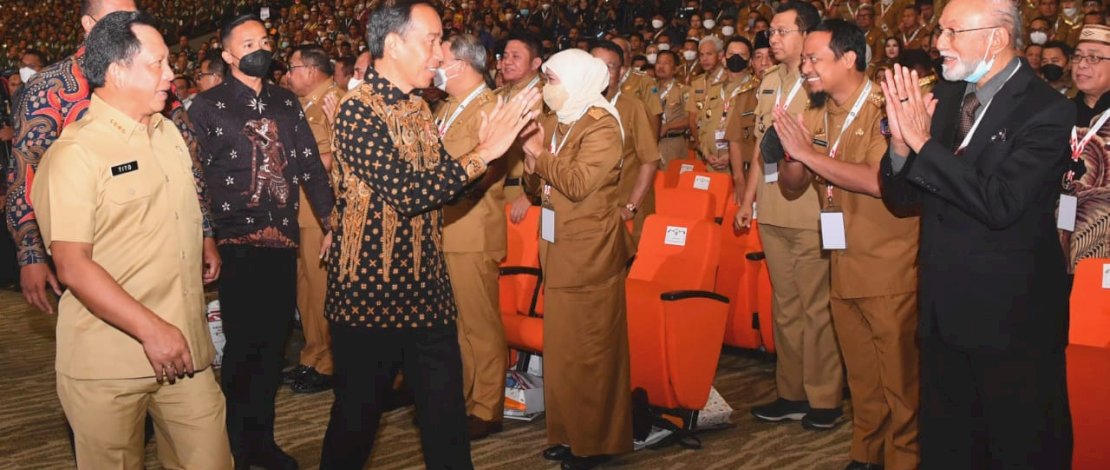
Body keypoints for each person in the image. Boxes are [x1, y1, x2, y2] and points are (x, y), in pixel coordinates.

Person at [319, 2, 537, 468]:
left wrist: (494, 156)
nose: (439, 54)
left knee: (446, 422)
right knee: (356, 421)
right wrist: (482, 154)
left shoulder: (419, 108)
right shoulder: (358, 110)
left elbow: (445, 187)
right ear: (394, 44)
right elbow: (408, 192)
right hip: (370, 294)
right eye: (432, 41)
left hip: (426, 291)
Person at [30, 11, 231, 469]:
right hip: (109, 363)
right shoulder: (75, 154)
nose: (171, 74)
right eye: (157, 64)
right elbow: (73, 266)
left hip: (185, 353)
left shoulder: (168, 134)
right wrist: (151, 330)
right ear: (118, 72)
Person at [879, 0, 1074, 467]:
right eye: (940, 31)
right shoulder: (947, 98)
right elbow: (904, 201)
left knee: (1016, 447)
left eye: (953, 32)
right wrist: (901, 148)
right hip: (942, 313)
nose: (939, 43)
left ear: (997, 38)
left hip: (1010, 321)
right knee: (948, 447)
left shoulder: (1047, 109)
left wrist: (922, 142)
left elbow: (1000, 203)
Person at [188, 14, 336, 468]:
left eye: (265, 40)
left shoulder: (286, 102)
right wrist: (205, 237)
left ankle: (262, 442)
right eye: (248, 43)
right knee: (242, 346)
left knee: (273, 346)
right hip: (234, 242)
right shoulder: (205, 107)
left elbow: (310, 166)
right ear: (228, 55)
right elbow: (193, 180)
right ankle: (235, 443)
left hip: (282, 243)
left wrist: (332, 221)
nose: (260, 48)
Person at [8, 0, 216, 317]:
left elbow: (187, 158)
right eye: (120, 16)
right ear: (89, 25)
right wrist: (30, 254)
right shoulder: (50, 85)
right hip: (88, 237)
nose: (131, 23)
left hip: (160, 235)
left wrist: (204, 231)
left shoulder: (155, 78)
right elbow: (25, 169)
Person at [776, 19, 922, 470]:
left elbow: (880, 182)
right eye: (804, 60)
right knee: (861, 376)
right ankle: (867, 453)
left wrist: (810, 155)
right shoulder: (817, 111)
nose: (805, 67)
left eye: (814, 59)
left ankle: (905, 459)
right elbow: (791, 187)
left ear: (849, 59)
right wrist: (792, 153)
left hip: (888, 266)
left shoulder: (885, 109)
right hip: (842, 262)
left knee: (900, 379)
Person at [520, 48, 634, 470]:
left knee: (590, 351)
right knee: (563, 351)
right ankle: (568, 434)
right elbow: (537, 189)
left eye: (552, 80)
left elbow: (579, 183)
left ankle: (595, 444)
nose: (546, 88)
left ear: (576, 81)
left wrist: (539, 155)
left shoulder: (601, 124)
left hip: (590, 254)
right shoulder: (560, 120)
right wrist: (531, 160)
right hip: (558, 248)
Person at [737, 1, 845, 431]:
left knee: (816, 307)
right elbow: (760, 146)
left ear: (807, 34)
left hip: (810, 208)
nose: (773, 39)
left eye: (783, 31)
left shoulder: (821, 80)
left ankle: (825, 398)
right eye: (771, 32)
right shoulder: (769, 81)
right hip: (771, 205)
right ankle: (792, 392)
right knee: (784, 307)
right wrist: (747, 201)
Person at [433, 32, 508, 441]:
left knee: (479, 323)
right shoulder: (445, 106)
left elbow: (490, 168)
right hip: (445, 228)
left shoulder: (490, 107)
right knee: (455, 324)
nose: (433, 62)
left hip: (472, 229)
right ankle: (462, 399)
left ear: (460, 64)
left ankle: (487, 406)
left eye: (440, 56)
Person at [285, 44, 346, 395]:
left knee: (322, 289)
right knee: (305, 289)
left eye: (292, 68)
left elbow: (337, 155)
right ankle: (312, 355)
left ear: (310, 70)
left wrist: (291, 164)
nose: (287, 76)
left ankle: (329, 363)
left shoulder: (334, 101)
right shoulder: (305, 104)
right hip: (301, 210)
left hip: (321, 211)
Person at [592, 40, 661, 243]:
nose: (602, 72)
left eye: (609, 67)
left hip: (623, 208)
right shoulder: (576, 107)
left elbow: (650, 161)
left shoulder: (633, 108)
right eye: (596, 65)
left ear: (621, 72)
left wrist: (631, 206)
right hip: (591, 211)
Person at [1061, 24, 1110, 274]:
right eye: (1078, 56)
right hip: (1062, 219)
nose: (1081, 64)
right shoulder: (1059, 111)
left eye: (1093, 58)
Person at [496, 32, 546, 225]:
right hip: (495, 192)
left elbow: (551, 149)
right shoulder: (498, 95)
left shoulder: (546, 99)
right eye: (505, 56)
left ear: (535, 63)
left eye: (516, 56)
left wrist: (530, 194)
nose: (507, 62)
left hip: (523, 194)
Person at [725, 36, 764, 200]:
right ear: (752, 63)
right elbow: (734, 139)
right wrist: (739, 178)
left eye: (769, 56)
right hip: (748, 173)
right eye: (759, 57)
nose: (764, 62)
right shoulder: (744, 95)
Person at [686, 35, 726, 162]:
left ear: (720, 55)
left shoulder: (729, 80)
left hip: (724, 150)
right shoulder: (697, 83)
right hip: (702, 149)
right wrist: (702, 149)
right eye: (701, 55)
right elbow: (692, 120)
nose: (704, 59)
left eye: (709, 54)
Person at [654, 50, 691, 163]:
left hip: (673, 142)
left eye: (666, 63)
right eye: (659, 62)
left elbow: (691, 119)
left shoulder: (683, 90)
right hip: (652, 143)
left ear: (675, 69)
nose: (661, 66)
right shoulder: (650, 89)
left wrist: (668, 127)